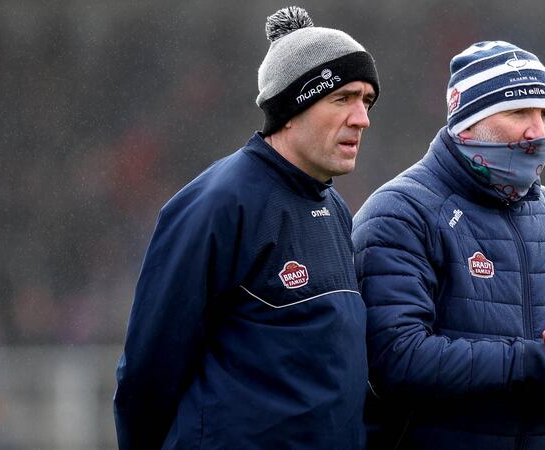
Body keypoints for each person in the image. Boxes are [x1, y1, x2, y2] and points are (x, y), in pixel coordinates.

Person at [113, 7, 379, 449]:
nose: (362, 118)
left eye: (366, 101)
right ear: (293, 107)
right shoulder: (217, 203)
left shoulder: (334, 208)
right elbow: (150, 368)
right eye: (343, 98)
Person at [352, 40, 545, 449]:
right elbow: (397, 359)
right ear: (467, 122)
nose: (538, 132)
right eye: (519, 112)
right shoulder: (400, 213)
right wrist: (540, 365)